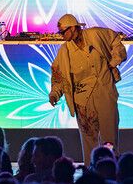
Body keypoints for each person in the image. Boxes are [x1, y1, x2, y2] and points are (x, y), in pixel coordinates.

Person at [48, 14, 127, 166]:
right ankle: (90, 172)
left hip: (104, 91)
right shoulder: (65, 51)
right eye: (60, 32)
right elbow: (59, 75)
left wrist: (114, 61)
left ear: (73, 28)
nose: (62, 35)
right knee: (89, 139)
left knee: (109, 137)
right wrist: (54, 94)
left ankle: (110, 169)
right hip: (83, 98)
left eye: (63, 31)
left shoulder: (95, 35)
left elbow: (115, 40)